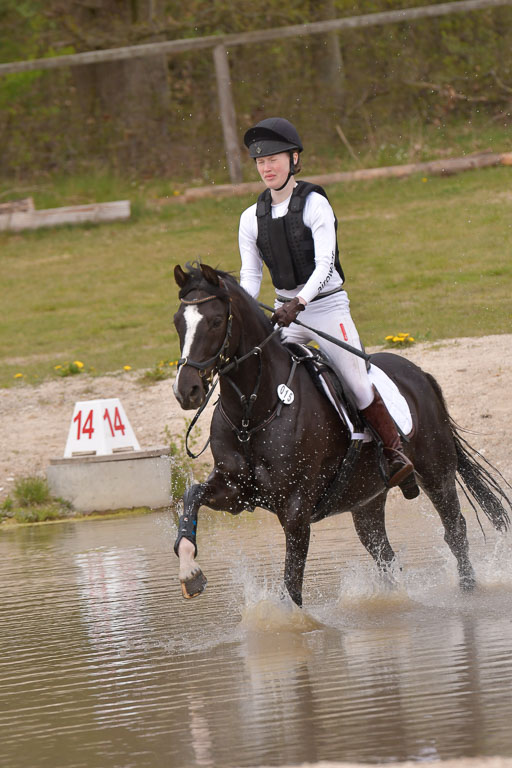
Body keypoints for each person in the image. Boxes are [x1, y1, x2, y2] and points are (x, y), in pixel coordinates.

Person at [238, 116, 415, 491]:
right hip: (283, 312)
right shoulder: (250, 218)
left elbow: (325, 265)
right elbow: (251, 276)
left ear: (294, 158)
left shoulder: (315, 204)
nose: (266, 167)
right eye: (260, 161)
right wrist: (243, 305)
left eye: (273, 159)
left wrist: (300, 302)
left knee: (355, 379)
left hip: (325, 308)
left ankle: (393, 451)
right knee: (261, 373)